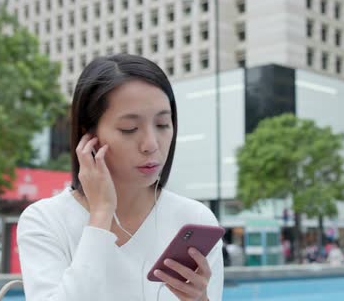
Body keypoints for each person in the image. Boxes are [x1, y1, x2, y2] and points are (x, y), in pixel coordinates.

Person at [17, 54, 223, 300]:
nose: (151, 145)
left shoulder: (195, 219)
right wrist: (101, 214)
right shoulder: (46, 221)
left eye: (162, 124)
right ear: (89, 134)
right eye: (130, 129)